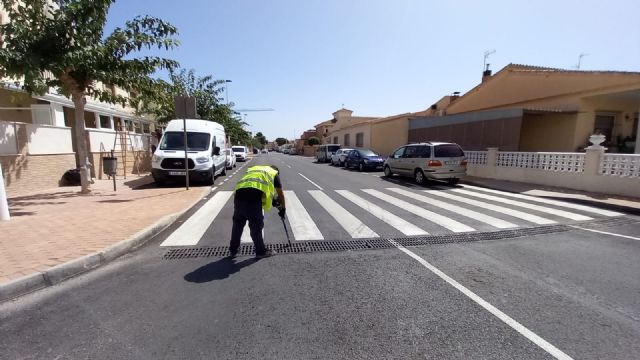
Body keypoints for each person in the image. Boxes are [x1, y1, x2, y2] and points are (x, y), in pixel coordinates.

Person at [229, 164, 286, 258]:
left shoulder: (254, 170)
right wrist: (283, 209)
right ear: (277, 172)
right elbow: (281, 195)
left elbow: (259, 187)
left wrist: (272, 200)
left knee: (238, 225)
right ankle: (260, 251)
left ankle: (233, 250)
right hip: (252, 200)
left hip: (238, 196)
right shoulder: (274, 173)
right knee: (256, 225)